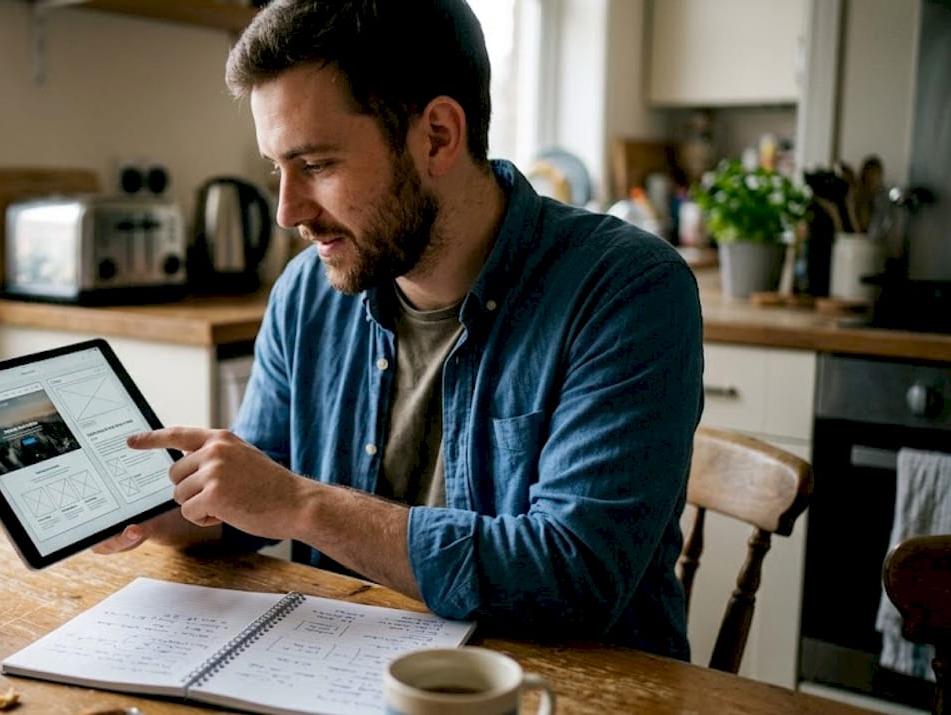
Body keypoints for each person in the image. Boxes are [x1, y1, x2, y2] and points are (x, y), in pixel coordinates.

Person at [95, 0, 703, 660]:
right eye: (278, 168)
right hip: (342, 671)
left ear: (437, 136)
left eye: (317, 165)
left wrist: (301, 504)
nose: (287, 210)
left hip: (564, 689)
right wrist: (178, 507)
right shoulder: (306, 292)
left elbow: (574, 577)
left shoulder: (628, 288)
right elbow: (259, 499)